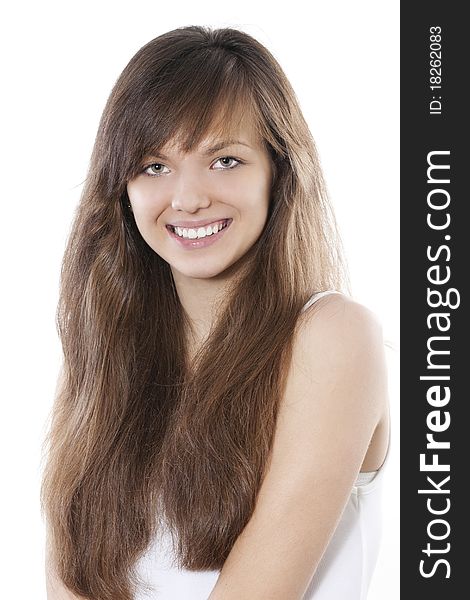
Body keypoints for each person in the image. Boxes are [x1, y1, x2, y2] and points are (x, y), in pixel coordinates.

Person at [41, 25, 390, 600]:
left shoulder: (333, 338)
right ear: (121, 188)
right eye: (154, 166)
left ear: (280, 170)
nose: (188, 197)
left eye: (225, 160)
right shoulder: (100, 356)